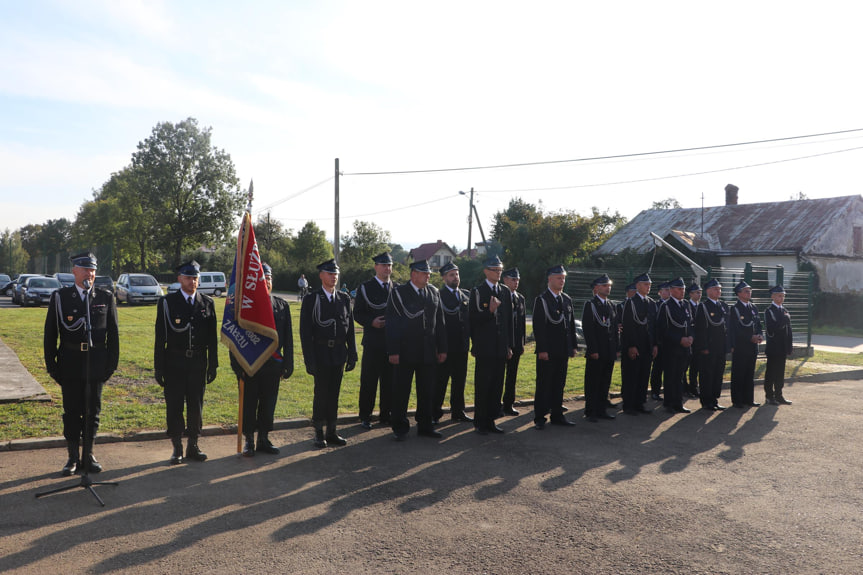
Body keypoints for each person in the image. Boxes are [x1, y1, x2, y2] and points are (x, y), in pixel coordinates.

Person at [44, 252, 119, 476]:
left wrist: (110, 365)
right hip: (70, 363)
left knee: (92, 412)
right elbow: (50, 335)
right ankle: (72, 457)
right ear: (74, 271)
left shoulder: (105, 297)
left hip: (95, 364)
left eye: (93, 270)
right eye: (85, 269)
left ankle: (88, 454)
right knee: (71, 412)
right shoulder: (61, 297)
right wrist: (52, 366)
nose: (90, 274)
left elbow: (113, 335)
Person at [154, 260, 219, 464]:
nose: (193, 281)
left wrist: (213, 364)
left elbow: (211, 338)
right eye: (189, 277)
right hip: (174, 362)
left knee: (195, 405)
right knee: (174, 405)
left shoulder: (207, 303)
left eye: (196, 277)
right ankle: (177, 447)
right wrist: (159, 367)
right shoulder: (167, 303)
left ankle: (193, 444)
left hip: (198, 362)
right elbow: (160, 338)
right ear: (179, 278)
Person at [230, 263, 293, 456]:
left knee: (269, 403)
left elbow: (288, 338)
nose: (266, 281)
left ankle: (264, 438)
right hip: (250, 364)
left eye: (269, 278)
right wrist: (236, 365)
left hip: (273, 364)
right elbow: (234, 337)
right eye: (262, 278)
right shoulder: (245, 306)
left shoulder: (281, 305)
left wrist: (288, 363)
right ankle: (249, 439)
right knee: (249, 403)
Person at [386, 259, 448, 440]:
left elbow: (440, 323)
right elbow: (392, 323)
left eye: (429, 273)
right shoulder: (399, 293)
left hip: (428, 350)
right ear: (413, 274)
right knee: (401, 390)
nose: (428, 275)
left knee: (427, 391)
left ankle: (425, 425)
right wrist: (393, 351)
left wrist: (442, 348)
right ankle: (399, 427)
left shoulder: (434, 292)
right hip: (405, 350)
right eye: (424, 273)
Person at [300, 258, 358, 448]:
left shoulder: (343, 298)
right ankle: (318, 431)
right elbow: (305, 332)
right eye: (330, 273)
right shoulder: (312, 299)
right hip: (320, 352)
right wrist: (309, 359)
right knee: (321, 394)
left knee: (334, 394)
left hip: (339, 352)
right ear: (321, 275)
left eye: (336, 274)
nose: (334, 277)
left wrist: (353, 353)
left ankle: (332, 431)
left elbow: (349, 329)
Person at [469, 255, 513, 434]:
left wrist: (509, 345)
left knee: (497, 385)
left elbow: (508, 321)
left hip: (500, 347)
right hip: (485, 347)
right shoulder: (478, 291)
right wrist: (490, 311)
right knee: (483, 385)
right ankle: (480, 422)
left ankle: (492, 419)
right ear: (486, 271)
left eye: (500, 270)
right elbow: (473, 319)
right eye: (495, 270)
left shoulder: (504, 291)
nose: (498, 273)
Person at [532, 264, 579, 429]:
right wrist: (543, 349)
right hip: (549, 350)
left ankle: (557, 415)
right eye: (559, 278)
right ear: (550, 279)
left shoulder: (566, 299)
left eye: (564, 278)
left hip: (563, 349)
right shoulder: (542, 300)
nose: (562, 281)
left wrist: (573, 346)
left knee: (559, 383)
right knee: (544, 384)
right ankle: (540, 417)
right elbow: (539, 327)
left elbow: (571, 325)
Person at [354, 252, 395, 429]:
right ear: (376, 267)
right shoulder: (366, 287)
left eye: (389, 265)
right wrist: (371, 322)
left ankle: (386, 415)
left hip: (391, 343)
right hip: (373, 342)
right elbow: (357, 313)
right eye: (383, 265)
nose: (387, 268)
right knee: (369, 381)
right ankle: (365, 416)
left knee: (390, 382)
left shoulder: (397, 288)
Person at [434, 261, 473, 423]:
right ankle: (434, 413)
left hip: (461, 346)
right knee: (440, 381)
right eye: (451, 275)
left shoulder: (465, 295)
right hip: (445, 347)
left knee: (459, 381)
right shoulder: (438, 296)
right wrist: (438, 347)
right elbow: (435, 324)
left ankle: (458, 411)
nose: (455, 277)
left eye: (456, 274)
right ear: (444, 278)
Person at [581, 274, 619, 422]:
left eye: (609, 285)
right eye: (604, 285)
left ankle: (602, 409)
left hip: (609, 349)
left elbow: (614, 328)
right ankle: (590, 411)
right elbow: (588, 329)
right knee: (593, 381)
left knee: (605, 381)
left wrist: (616, 347)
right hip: (597, 350)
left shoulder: (611, 305)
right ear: (596, 288)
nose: (608, 288)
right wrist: (593, 349)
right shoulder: (591, 305)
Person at [655, 277, 694, 414]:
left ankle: (678, 402)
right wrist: (679, 339)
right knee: (671, 376)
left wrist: (690, 337)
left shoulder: (686, 305)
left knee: (680, 376)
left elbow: (689, 324)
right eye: (679, 289)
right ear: (671, 290)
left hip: (684, 348)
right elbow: (662, 329)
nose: (682, 291)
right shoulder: (665, 306)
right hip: (671, 348)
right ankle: (669, 403)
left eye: (683, 289)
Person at [619, 273, 656, 415]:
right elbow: (628, 326)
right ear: (638, 285)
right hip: (635, 344)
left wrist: (655, 344)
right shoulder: (631, 302)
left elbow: (653, 326)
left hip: (647, 345)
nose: (648, 287)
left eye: (649, 285)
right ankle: (629, 405)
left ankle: (640, 403)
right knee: (631, 375)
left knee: (643, 375)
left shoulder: (650, 302)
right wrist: (631, 345)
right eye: (646, 284)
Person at [693, 278, 728, 411]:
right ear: (708, 291)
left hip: (720, 346)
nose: (718, 291)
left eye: (719, 289)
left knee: (718, 374)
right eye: (715, 289)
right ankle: (706, 400)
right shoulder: (704, 306)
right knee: (707, 374)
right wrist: (703, 347)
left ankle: (714, 399)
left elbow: (726, 327)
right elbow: (700, 329)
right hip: (709, 347)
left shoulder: (722, 306)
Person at [728, 280, 763, 408]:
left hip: (752, 346)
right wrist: (750, 337)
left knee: (749, 373)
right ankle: (737, 400)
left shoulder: (753, 307)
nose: (749, 293)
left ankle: (749, 399)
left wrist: (760, 335)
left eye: (750, 291)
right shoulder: (735, 309)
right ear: (739, 294)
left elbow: (758, 324)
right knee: (739, 373)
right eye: (746, 291)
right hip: (741, 346)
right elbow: (735, 329)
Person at [500, 267, 526, 417]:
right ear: (505, 280)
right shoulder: (501, 297)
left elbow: (521, 323)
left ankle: (509, 404)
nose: (516, 282)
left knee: (512, 376)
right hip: (503, 343)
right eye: (512, 279)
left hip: (516, 343)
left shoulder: (520, 298)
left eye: (517, 280)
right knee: (498, 376)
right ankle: (496, 404)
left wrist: (521, 343)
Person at [764, 285, 793, 405]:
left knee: (780, 372)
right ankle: (769, 396)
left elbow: (789, 330)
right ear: (773, 296)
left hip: (782, 347)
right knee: (771, 372)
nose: (781, 298)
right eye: (779, 296)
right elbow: (772, 329)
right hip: (773, 347)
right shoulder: (769, 311)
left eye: (783, 296)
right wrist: (783, 320)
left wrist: (789, 346)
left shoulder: (784, 310)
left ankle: (779, 395)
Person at [650, 281, 671, 400]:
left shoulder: (673, 304)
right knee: (657, 368)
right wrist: (656, 343)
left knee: (671, 369)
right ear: (660, 292)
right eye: (665, 290)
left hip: (671, 343)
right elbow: (654, 325)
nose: (668, 292)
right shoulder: (656, 305)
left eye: (669, 289)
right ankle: (655, 391)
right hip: (660, 342)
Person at [685, 283, 703, 398]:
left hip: (699, 341)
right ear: (690, 294)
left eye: (700, 292)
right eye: (697, 292)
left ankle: (694, 387)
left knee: (696, 366)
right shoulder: (688, 306)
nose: (699, 294)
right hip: (691, 340)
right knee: (687, 366)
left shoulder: (700, 306)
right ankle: (688, 388)